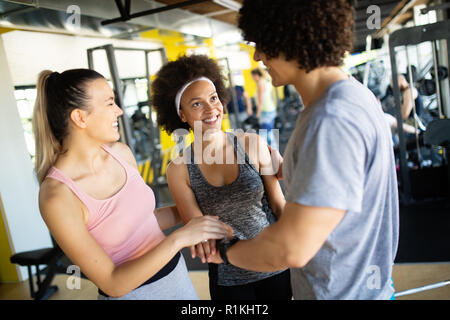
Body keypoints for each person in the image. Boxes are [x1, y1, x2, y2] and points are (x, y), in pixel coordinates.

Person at [208, 0, 399, 300]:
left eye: (262, 44)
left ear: (291, 37)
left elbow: (289, 248)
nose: (258, 56)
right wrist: (289, 167)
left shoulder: (331, 119)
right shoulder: (352, 94)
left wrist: (226, 252)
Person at [32, 69, 233, 300]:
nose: (119, 111)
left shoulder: (121, 153)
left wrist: (196, 210)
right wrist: (179, 238)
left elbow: (140, 221)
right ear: (80, 118)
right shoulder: (57, 196)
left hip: (177, 280)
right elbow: (112, 283)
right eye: (109, 103)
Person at [151, 55, 292, 300]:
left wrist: (297, 249)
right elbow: (201, 234)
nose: (211, 109)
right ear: (181, 114)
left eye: (213, 98)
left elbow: (279, 205)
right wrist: (215, 235)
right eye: (196, 104)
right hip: (228, 279)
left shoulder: (253, 144)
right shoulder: (179, 169)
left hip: (276, 264)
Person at [251, 68, 279, 149]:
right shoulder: (267, 81)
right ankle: (273, 151)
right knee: (269, 132)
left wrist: (258, 114)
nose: (252, 78)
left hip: (265, 111)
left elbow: (260, 100)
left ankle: (269, 153)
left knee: (264, 134)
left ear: (256, 75)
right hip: (271, 109)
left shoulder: (260, 83)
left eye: (252, 76)